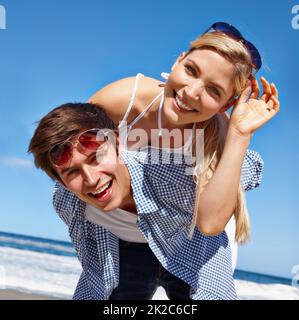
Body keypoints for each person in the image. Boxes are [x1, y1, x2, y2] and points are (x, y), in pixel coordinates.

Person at [54, 22, 279, 268]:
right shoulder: (125, 100)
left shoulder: (219, 134)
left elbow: (210, 224)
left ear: (225, 105)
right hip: (131, 232)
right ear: (178, 62)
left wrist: (239, 134)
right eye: (191, 70)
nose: (191, 92)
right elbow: (69, 150)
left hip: (193, 239)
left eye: (214, 91)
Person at [29, 102, 239, 300]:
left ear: (118, 145)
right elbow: (94, 272)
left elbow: (251, 165)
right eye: (72, 172)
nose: (92, 180)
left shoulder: (165, 171)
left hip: (191, 242)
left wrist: (239, 134)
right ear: (61, 183)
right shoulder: (66, 202)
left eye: (97, 157)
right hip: (128, 250)